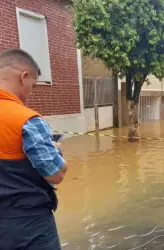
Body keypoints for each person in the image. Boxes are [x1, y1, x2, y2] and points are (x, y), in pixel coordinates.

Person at [0, 48, 68, 250]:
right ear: (24, 77)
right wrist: (55, 150)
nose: (32, 91)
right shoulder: (27, 120)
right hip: (28, 226)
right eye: (33, 85)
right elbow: (56, 174)